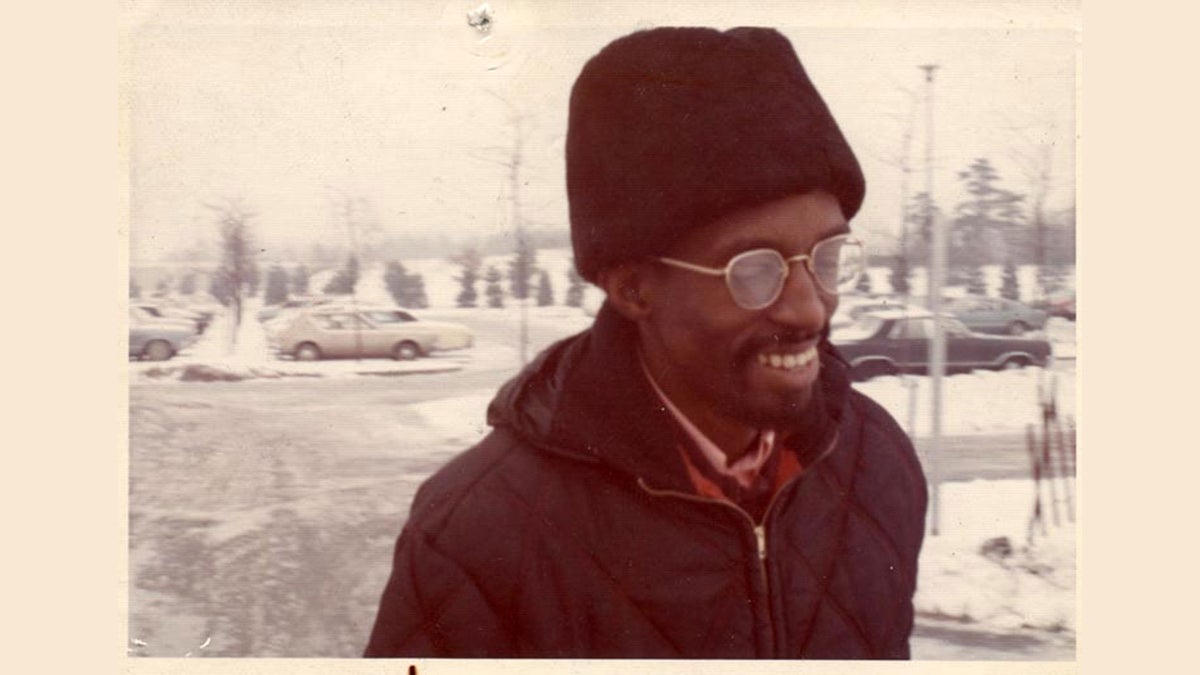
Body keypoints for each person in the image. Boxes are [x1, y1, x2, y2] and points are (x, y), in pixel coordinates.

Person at [364, 26, 927, 659]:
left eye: (826, 256)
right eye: (754, 269)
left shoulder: (874, 459)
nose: (809, 307)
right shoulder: (477, 532)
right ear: (634, 289)